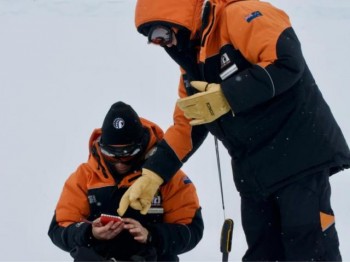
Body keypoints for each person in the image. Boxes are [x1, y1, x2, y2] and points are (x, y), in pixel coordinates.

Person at [117, 0, 350, 261]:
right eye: (153, 40)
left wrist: (228, 95)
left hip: (299, 158)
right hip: (255, 175)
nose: (162, 43)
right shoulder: (194, 63)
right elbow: (188, 123)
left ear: (180, 17)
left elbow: (287, 61)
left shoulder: (239, 15)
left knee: (309, 249)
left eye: (162, 33)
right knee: (262, 254)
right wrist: (153, 174)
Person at [48, 101, 204, 261]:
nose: (120, 162)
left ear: (142, 145)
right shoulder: (84, 177)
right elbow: (59, 229)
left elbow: (191, 229)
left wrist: (151, 235)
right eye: (111, 154)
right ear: (101, 147)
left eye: (128, 153)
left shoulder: (168, 176)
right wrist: (89, 233)